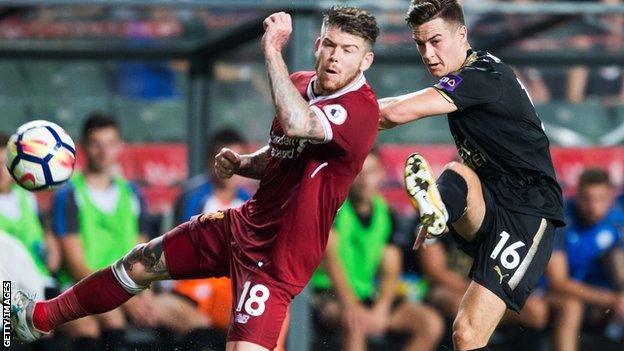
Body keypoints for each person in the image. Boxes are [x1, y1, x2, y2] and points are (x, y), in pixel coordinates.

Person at [12, 6, 380, 351]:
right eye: (330, 44)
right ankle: (39, 317)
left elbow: (297, 124)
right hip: (242, 226)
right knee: (140, 263)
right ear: (318, 45)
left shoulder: (361, 109)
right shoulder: (297, 84)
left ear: (366, 60)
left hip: (278, 260)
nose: (335, 56)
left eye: (348, 50)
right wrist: (243, 163)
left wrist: (270, 49)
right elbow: (283, 154)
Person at [378, 1, 565, 350]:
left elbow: (395, 114)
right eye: (420, 44)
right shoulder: (471, 73)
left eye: (435, 41)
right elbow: (394, 104)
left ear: (461, 33)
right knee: (457, 174)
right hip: (491, 198)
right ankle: (439, 212)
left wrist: (332, 110)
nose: (427, 53)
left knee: (466, 333)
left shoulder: (481, 77)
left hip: (527, 212)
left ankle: (440, 211)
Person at [310, 150, 444, 351]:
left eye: (371, 172)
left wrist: (381, 309)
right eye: (359, 173)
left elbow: (391, 272)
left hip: (367, 295)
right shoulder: (335, 209)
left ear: (381, 174)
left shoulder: (387, 215)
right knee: (354, 324)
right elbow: (332, 262)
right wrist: (350, 305)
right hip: (329, 295)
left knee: (430, 323)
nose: (365, 180)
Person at [50, 113, 162, 349]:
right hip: (80, 287)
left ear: (120, 146)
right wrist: (122, 295)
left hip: (125, 288)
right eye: (96, 144)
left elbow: (142, 254)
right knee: (112, 317)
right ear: (84, 147)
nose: (103, 152)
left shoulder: (132, 193)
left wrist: (144, 294)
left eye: (110, 144)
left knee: (186, 317)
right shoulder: (69, 194)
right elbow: (75, 265)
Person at [546, 168, 624, 350]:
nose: (594, 206)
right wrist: (613, 299)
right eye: (587, 199)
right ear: (577, 195)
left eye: (601, 199)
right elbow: (558, 282)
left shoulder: (617, 220)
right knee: (572, 307)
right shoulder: (561, 220)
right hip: (559, 295)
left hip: (602, 297)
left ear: (611, 198)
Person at [0, 132, 60, 286]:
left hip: (40, 279)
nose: (1, 172)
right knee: (7, 309)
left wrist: (51, 250)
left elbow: (52, 254)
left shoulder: (27, 196)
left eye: (4, 165)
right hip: (8, 286)